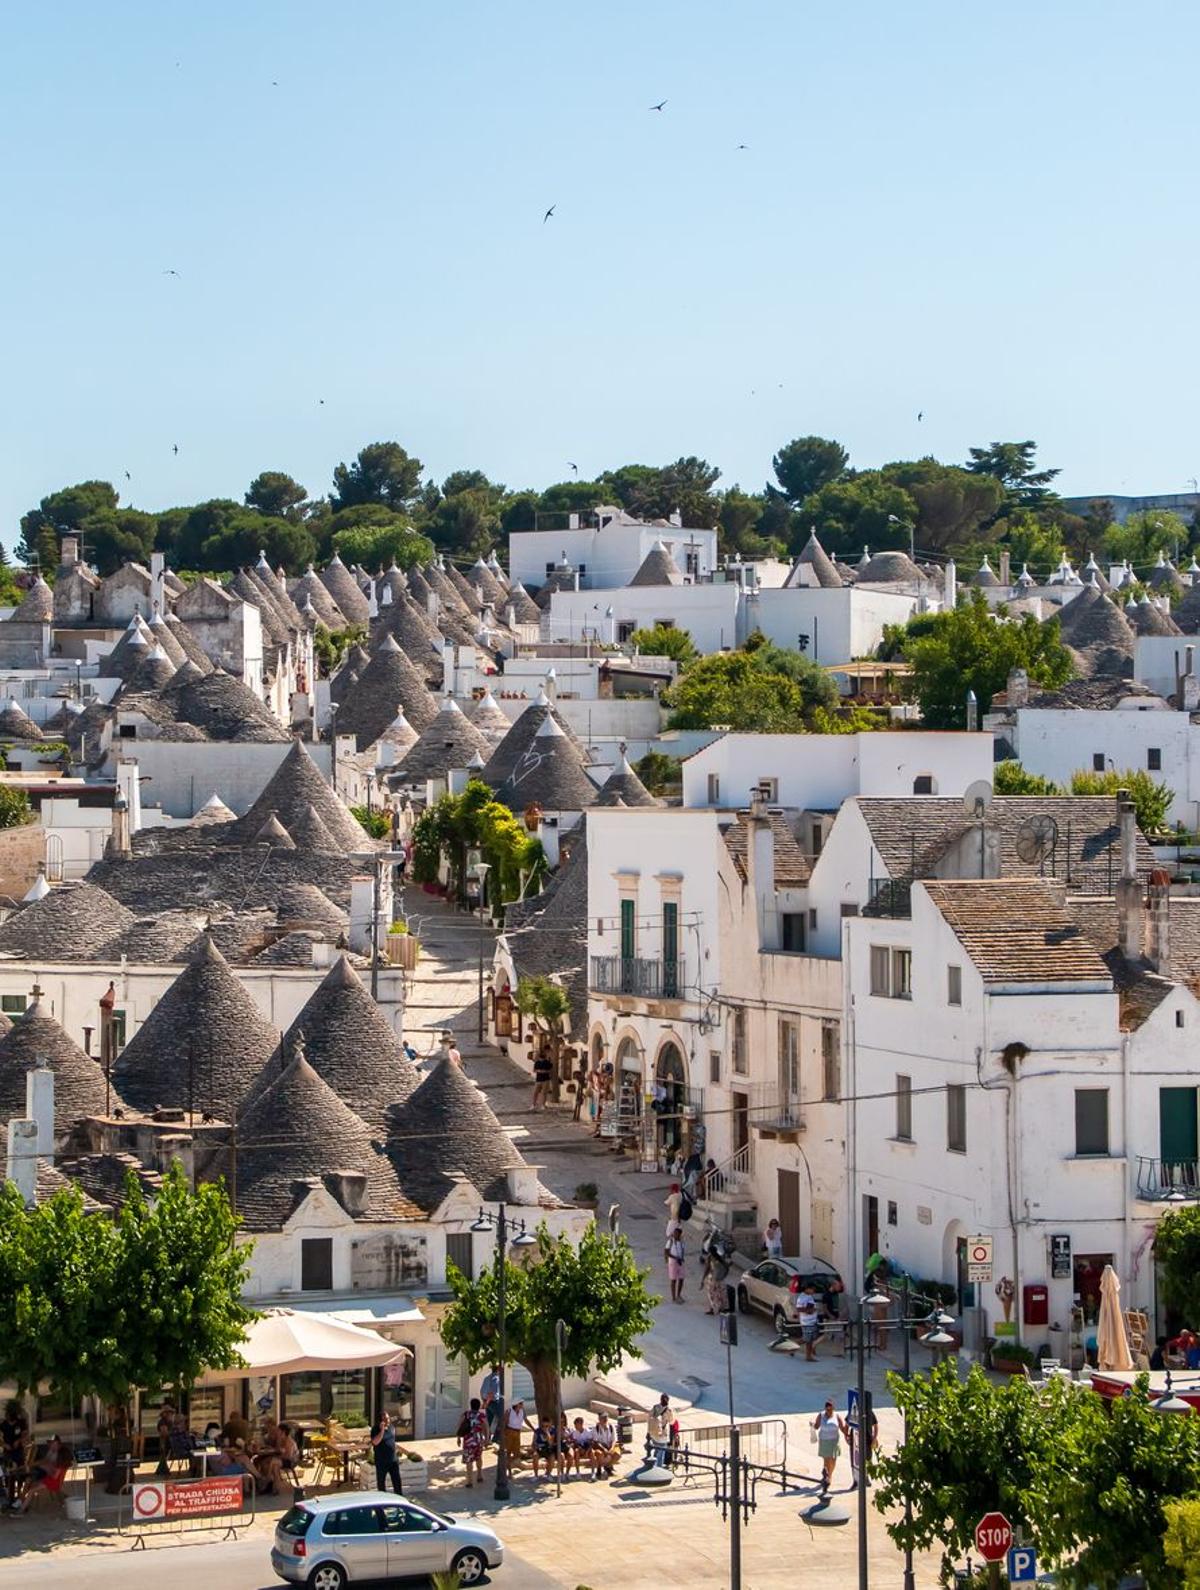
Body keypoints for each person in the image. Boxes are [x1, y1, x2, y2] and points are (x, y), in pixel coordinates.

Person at [15, 1437, 72, 1513]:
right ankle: (22, 1505)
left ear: (56, 1443)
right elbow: (49, 1464)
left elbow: (55, 1476)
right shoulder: (59, 1453)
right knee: (32, 1485)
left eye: (51, 1443)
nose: (49, 1445)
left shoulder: (60, 1456)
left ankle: (20, 1510)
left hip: (53, 1481)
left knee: (32, 1489)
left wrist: (47, 1468)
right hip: (51, 1479)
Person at [812, 1401, 845, 1493]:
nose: (828, 1411)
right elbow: (817, 1426)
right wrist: (813, 1425)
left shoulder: (837, 1416)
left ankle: (829, 1475)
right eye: (827, 1409)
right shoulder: (821, 1415)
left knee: (833, 1460)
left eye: (830, 1409)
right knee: (826, 1460)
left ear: (833, 1408)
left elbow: (842, 1427)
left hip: (834, 1440)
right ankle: (827, 1478)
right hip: (824, 1440)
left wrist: (847, 1434)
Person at [1, 1401, 28, 1510]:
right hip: (7, 1452)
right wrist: (4, 1444)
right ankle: (9, 1497)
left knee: (20, 1474)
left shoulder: (21, 1423)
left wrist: (19, 1440)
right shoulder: (3, 1424)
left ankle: (18, 1496)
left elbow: (25, 1435)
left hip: (18, 1451)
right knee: (8, 1474)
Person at [370, 1409, 403, 1495]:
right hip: (381, 1462)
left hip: (393, 1460)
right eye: (386, 1419)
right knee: (381, 1483)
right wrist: (382, 1431)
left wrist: (396, 1451)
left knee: (397, 1482)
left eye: (388, 1418)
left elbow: (393, 1440)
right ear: (381, 1421)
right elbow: (375, 1442)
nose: (388, 1420)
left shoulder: (392, 1427)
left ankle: (399, 1500)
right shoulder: (375, 1429)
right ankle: (382, 1503)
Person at [458, 1398, 488, 1488]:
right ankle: (479, 1475)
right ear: (479, 1406)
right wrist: (487, 1438)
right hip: (478, 1439)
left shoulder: (466, 1414)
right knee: (479, 1457)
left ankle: (469, 1481)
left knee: (469, 1460)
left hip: (468, 1440)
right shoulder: (481, 1415)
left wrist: (458, 1438)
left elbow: (460, 1425)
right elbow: (486, 1427)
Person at [504, 1399, 534, 1470]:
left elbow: (526, 1420)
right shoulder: (509, 1411)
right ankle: (508, 1468)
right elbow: (505, 1422)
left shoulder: (522, 1411)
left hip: (517, 1433)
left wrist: (532, 1428)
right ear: (516, 1404)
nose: (522, 1405)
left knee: (516, 1451)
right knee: (508, 1451)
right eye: (521, 1404)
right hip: (510, 1431)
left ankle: (511, 1465)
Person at [795, 1286, 820, 1362]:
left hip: (812, 1321)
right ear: (807, 1288)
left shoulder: (808, 1297)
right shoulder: (802, 1298)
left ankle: (807, 1355)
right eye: (812, 1289)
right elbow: (800, 1309)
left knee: (809, 1339)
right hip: (807, 1322)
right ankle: (807, 1356)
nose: (813, 1291)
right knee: (807, 1339)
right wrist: (812, 1310)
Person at [589, 1413, 617, 1479]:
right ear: (599, 1419)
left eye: (606, 1418)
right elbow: (596, 1442)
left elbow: (614, 1440)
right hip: (600, 1447)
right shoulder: (596, 1428)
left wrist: (611, 1448)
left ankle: (607, 1467)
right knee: (599, 1454)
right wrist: (604, 1449)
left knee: (617, 1454)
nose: (605, 1420)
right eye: (603, 1418)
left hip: (610, 1446)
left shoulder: (611, 1427)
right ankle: (599, 1469)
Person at [646, 1395, 671, 1466]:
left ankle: (653, 1466)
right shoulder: (668, 1410)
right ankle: (658, 1468)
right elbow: (672, 1421)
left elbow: (648, 1419)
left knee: (656, 1451)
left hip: (654, 1433)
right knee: (661, 1454)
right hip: (662, 1435)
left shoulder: (655, 1407)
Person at [665, 1225, 687, 1304]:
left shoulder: (682, 1242)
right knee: (673, 1280)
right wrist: (674, 1258)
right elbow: (666, 1252)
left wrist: (681, 1258)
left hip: (680, 1261)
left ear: (680, 1234)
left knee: (681, 1279)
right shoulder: (670, 1241)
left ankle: (679, 1295)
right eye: (674, 1233)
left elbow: (683, 1251)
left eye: (677, 1233)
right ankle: (674, 1297)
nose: (675, 1235)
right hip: (673, 1262)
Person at [479, 1365, 502, 1438]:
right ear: (498, 1369)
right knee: (501, 1418)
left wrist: (485, 1402)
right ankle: (496, 1438)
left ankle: (486, 1439)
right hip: (493, 1402)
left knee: (489, 1421)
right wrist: (487, 1403)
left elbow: (481, 1391)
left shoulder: (487, 1378)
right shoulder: (496, 1379)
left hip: (487, 1401)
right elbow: (491, 1393)